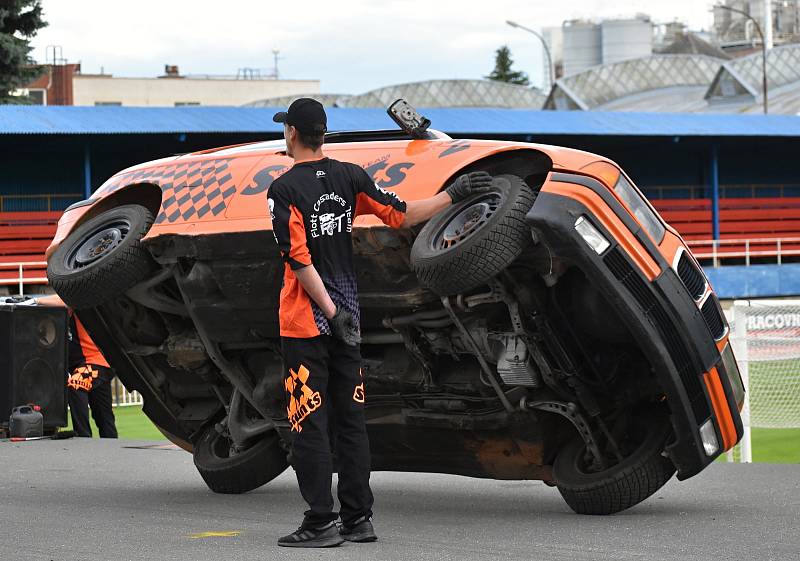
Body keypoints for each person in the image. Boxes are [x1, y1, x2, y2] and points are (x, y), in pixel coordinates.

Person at [268, 98, 492, 548]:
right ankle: (358, 519)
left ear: (292, 132)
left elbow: (298, 259)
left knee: (308, 421)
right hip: (349, 319)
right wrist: (457, 192)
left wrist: (329, 312)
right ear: (323, 133)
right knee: (351, 421)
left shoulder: (283, 190)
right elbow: (401, 213)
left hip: (308, 323)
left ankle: (319, 523)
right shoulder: (350, 176)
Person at [65, 309, 118, 438]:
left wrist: (33, 301)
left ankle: (82, 436)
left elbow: (64, 300)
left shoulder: (75, 301)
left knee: (76, 384)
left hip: (95, 362)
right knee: (103, 413)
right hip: (94, 363)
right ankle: (111, 444)